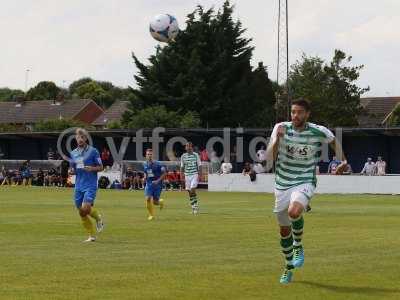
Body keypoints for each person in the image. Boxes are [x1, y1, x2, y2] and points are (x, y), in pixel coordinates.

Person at [266, 98, 347, 284]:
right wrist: (277, 138)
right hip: (282, 183)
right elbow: (269, 157)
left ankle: (298, 246)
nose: (295, 115)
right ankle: (288, 267)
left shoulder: (318, 130)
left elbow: (334, 142)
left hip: (304, 180)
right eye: (293, 112)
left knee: (294, 211)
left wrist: (343, 161)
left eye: (299, 112)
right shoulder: (280, 127)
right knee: (283, 230)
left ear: (307, 114)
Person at [69, 128, 104, 242]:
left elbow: (101, 167)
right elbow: (72, 168)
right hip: (78, 186)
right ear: (76, 138)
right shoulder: (73, 153)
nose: (80, 139)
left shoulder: (93, 151)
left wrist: (92, 168)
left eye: (82, 137)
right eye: (78, 137)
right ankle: (91, 236)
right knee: (81, 212)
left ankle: (98, 218)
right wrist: (71, 171)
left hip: (90, 184)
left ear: (86, 138)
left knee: (86, 207)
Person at [143, 148, 166, 220]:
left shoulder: (158, 164)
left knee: (155, 202)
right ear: (146, 155)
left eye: (150, 154)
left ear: (153, 155)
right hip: (149, 183)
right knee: (148, 199)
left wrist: (157, 181)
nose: (149, 155)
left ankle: (160, 202)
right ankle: (151, 215)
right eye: (148, 154)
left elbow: (164, 173)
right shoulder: (144, 164)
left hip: (158, 185)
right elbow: (146, 172)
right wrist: (144, 178)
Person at [181, 142, 202, 214]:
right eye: (187, 146)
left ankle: (195, 207)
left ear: (191, 147)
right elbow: (182, 166)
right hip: (187, 175)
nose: (188, 147)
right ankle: (193, 206)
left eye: (189, 146)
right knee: (189, 191)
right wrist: (182, 176)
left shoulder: (196, 155)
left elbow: (199, 165)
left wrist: (200, 175)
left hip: (194, 174)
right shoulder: (183, 156)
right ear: (185, 148)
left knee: (193, 189)